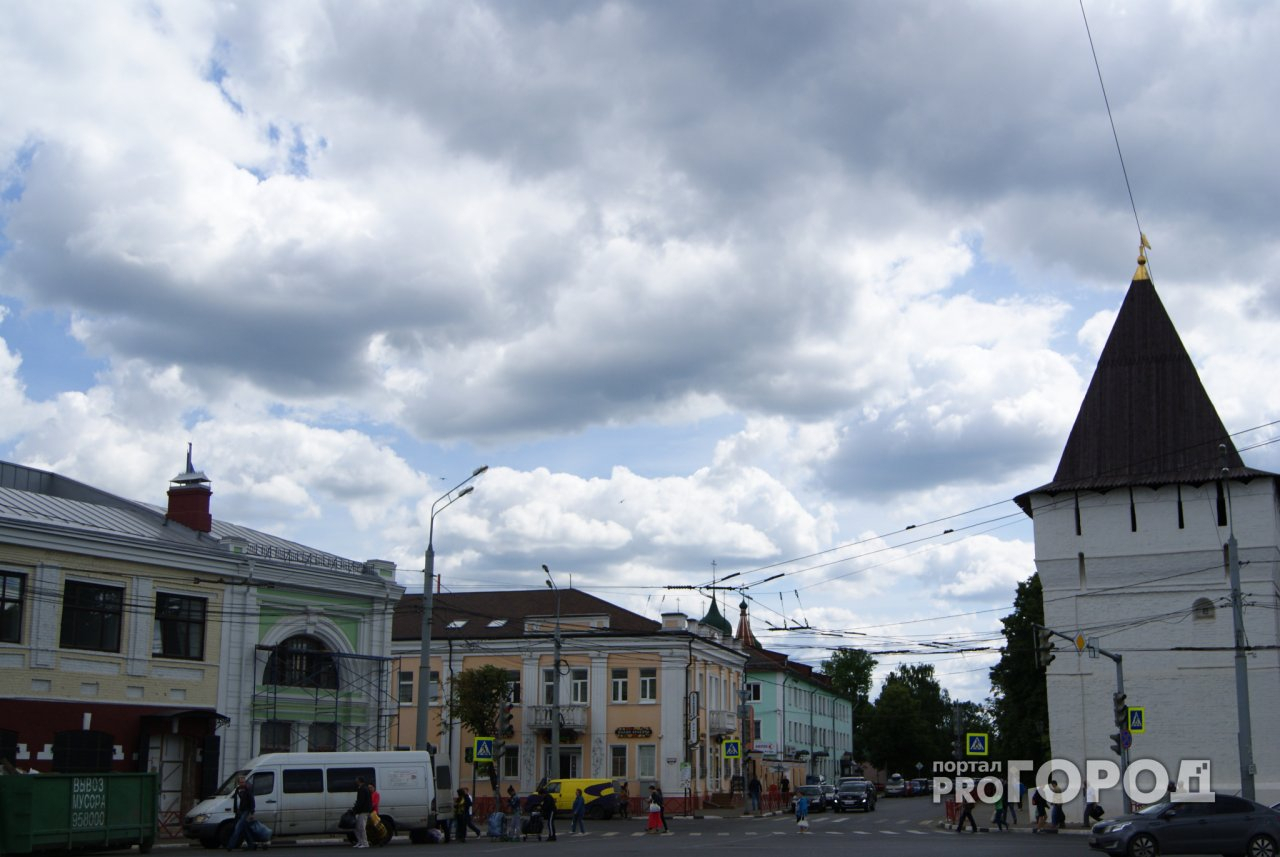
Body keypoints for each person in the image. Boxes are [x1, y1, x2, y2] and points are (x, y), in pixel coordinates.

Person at [226, 776, 257, 851]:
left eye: (243, 782)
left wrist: (252, 812)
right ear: (238, 783)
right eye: (241, 782)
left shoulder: (248, 790)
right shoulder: (237, 790)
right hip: (239, 811)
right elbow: (236, 800)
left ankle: (230, 846)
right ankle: (251, 845)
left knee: (238, 828)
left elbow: (252, 801)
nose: (242, 783)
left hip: (245, 810)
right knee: (244, 829)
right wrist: (235, 810)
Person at [352, 777, 373, 849]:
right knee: (357, 827)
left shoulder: (363, 789)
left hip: (363, 811)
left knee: (361, 827)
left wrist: (355, 809)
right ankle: (360, 842)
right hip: (362, 810)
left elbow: (361, 801)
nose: (355, 781)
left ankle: (365, 843)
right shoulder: (363, 788)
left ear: (359, 781)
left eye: (356, 780)